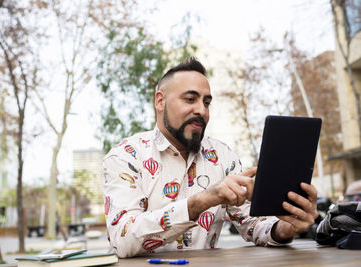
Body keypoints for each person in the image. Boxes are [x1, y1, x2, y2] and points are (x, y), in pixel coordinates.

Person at [103, 57, 318, 258]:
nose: (201, 110)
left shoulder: (223, 156)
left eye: (206, 102)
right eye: (190, 99)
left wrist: (285, 228)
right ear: (160, 101)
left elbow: (254, 226)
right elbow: (123, 239)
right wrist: (203, 200)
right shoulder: (125, 156)